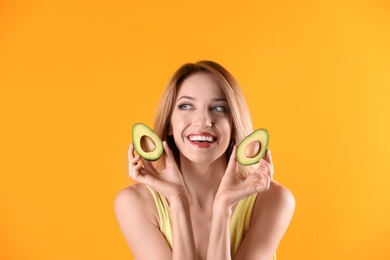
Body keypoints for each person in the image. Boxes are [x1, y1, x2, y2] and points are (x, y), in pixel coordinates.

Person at [114, 60, 295, 260]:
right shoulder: (135, 203)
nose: (203, 121)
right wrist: (177, 200)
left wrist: (223, 206)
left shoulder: (273, 200)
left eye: (218, 108)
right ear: (169, 124)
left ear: (234, 124)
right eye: (186, 106)